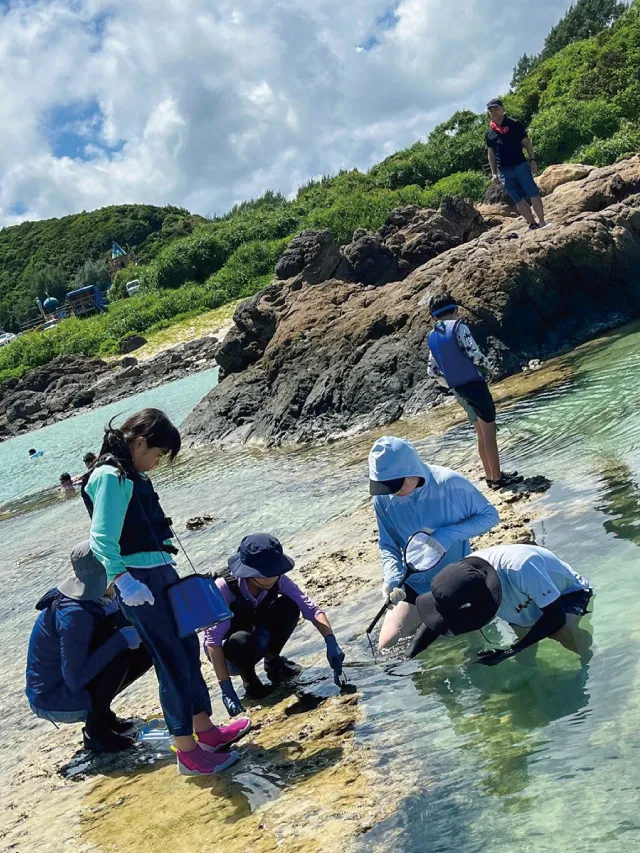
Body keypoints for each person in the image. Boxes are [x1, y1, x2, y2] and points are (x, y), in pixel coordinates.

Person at [81, 408, 250, 777]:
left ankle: (206, 731)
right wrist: (123, 580)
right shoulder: (110, 476)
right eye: (156, 455)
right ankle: (187, 752)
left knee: (186, 650)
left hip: (158, 574)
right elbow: (101, 539)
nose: (155, 464)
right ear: (139, 442)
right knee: (171, 659)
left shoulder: (129, 473)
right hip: (139, 580)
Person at [369, 435, 500, 650]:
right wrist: (392, 577)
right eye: (385, 486)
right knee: (386, 648)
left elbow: (490, 515)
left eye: (395, 484)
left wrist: (448, 534)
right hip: (413, 583)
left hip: (454, 582)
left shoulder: (449, 483)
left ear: (412, 468)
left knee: (468, 650)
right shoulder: (383, 499)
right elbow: (388, 544)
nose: (392, 492)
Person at [25, 541, 154, 752]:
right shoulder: (74, 614)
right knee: (119, 653)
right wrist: (121, 640)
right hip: (53, 699)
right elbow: (74, 678)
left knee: (142, 648)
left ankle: (103, 715)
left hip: (66, 684)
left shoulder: (95, 598)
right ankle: (96, 731)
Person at [204, 534, 346, 717]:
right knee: (240, 640)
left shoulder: (279, 580)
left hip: (258, 633)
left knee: (289, 606)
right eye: (265, 574)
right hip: (230, 654)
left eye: (275, 571)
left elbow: (310, 608)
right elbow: (212, 642)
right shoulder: (224, 588)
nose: (272, 578)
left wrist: (330, 640)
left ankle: (272, 662)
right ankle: (250, 681)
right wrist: (225, 687)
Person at [408, 543, 593, 664]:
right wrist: (408, 656)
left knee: (561, 632)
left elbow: (555, 617)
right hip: (522, 605)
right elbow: (437, 615)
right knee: (524, 657)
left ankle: (593, 659)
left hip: (565, 595)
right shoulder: (460, 580)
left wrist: (510, 652)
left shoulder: (521, 567)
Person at [426, 293, 521, 489]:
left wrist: (450, 383)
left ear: (434, 317)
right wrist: (490, 370)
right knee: (489, 432)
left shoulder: (432, 336)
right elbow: (474, 354)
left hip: (458, 389)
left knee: (480, 432)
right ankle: (497, 479)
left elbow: (432, 371)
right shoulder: (459, 327)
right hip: (474, 385)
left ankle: (489, 476)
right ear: (456, 309)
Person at [486, 98, 547, 230]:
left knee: (533, 193)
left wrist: (532, 160)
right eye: (491, 110)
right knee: (517, 199)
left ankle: (542, 222)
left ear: (503, 110)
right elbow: (491, 154)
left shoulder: (514, 124)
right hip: (504, 170)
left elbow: (527, 143)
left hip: (520, 165)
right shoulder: (489, 133)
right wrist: (494, 173)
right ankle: (532, 224)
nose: (494, 112)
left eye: (496, 108)